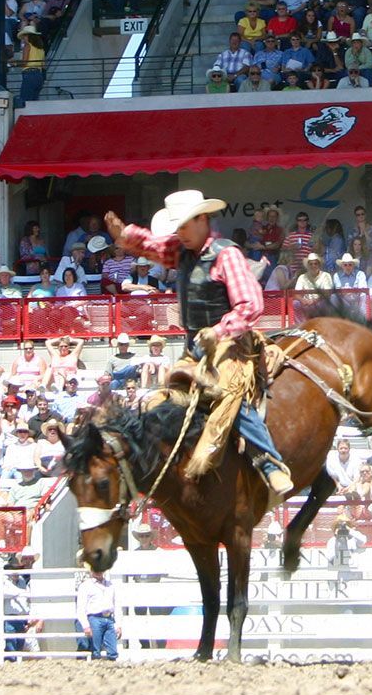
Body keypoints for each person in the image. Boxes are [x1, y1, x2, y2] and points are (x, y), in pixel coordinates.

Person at [107, 190, 294, 495]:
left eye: (183, 226)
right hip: (193, 346)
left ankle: (269, 462)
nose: (179, 234)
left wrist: (217, 332)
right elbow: (152, 246)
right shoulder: (180, 248)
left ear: (202, 219)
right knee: (161, 399)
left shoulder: (226, 254)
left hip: (231, 345)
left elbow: (250, 305)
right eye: (176, 228)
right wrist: (125, 234)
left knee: (229, 395)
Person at [76, 567, 120, 660]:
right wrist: (86, 625)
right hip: (94, 618)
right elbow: (81, 608)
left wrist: (118, 624)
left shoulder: (110, 585)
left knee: (112, 650)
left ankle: (111, 665)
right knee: (95, 650)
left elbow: (116, 605)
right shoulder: (85, 586)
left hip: (109, 618)